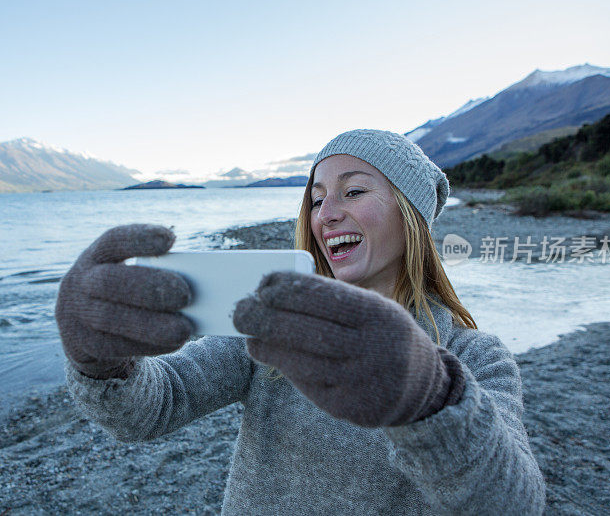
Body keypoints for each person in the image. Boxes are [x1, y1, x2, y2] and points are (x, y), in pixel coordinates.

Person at [55, 129, 546, 515]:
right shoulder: (273, 323)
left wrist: (428, 395)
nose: (326, 215)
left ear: (411, 214)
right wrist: (99, 360)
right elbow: (154, 407)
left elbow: (511, 501)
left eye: (353, 191)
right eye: (315, 199)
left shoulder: (473, 357)